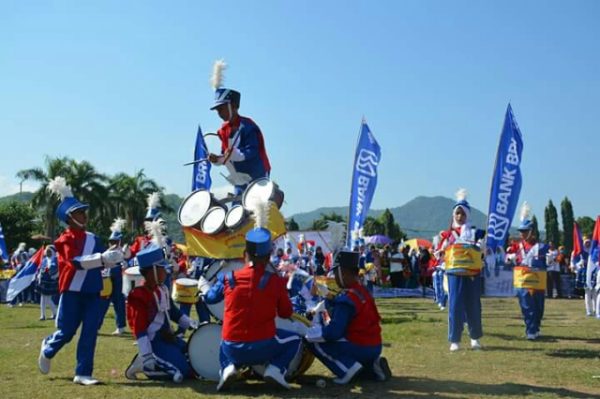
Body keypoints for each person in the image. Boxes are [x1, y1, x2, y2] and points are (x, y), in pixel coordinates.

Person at [38, 177, 124, 385]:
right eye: (79, 212)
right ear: (69, 217)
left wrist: (114, 259)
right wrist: (102, 259)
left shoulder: (94, 238)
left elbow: (100, 263)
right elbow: (74, 262)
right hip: (72, 291)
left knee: (90, 331)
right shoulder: (64, 239)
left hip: (93, 289)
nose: (84, 215)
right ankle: (49, 347)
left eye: (84, 212)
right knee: (67, 332)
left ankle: (83, 373)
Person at [200, 219, 302, 391]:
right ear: (269, 256)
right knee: (295, 339)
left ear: (244, 255)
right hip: (264, 347)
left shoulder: (227, 278)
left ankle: (227, 368)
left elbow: (209, 298)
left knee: (224, 337)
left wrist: (203, 286)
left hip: (232, 348)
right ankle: (276, 370)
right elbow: (286, 313)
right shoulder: (275, 282)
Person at [304, 250, 391, 384]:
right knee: (359, 363)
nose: (335, 278)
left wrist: (309, 333)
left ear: (343, 272)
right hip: (375, 346)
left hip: (359, 346)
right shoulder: (363, 292)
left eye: (336, 273)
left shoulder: (348, 298)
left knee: (313, 342)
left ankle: (346, 369)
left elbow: (334, 332)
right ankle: (372, 367)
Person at [124, 244, 197, 382]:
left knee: (194, 359)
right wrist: (147, 354)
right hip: (153, 343)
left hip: (167, 338)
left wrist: (191, 323)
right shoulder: (138, 295)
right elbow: (139, 329)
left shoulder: (162, 289)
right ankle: (144, 364)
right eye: (162, 268)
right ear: (152, 271)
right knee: (183, 372)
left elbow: (173, 313)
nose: (166, 271)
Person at [207, 60, 271, 196]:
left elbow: (250, 152)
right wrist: (216, 159)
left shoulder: (249, 127)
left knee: (257, 213)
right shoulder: (223, 130)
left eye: (222, 109)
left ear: (234, 106)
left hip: (257, 177)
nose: (219, 113)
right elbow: (225, 156)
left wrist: (232, 153)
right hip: (239, 180)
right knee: (237, 214)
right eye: (217, 110)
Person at [436, 189, 484, 351]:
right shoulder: (448, 235)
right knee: (455, 305)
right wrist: (440, 253)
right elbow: (441, 252)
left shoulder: (476, 233)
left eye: (462, 214)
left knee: (473, 305)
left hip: (472, 274)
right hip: (454, 273)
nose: (459, 217)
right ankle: (454, 339)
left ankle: (474, 337)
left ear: (467, 215)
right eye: (457, 213)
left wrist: (479, 247)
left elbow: (482, 250)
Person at [515, 202, 548, 339]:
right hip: (523, 280)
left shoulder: (541, 247)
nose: (522, 234)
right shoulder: (516, 247)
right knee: (526, 306)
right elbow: (511, 259)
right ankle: (530, 330)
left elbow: (546, 260)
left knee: (538, 306)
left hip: (537, 280)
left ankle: (536, 326)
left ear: (531, 231)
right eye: (521, 231)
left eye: (525, 231)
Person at [98, 218, 129, 335]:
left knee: (118, 302)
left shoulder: (118, 251)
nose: (112, 243)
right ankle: (97, 326)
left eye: (115, 241)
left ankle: (120, 327)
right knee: (103, 303)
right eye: (111, 241)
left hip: (117, 277)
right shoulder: (112, 251)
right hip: (107, 276)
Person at [36, 245, 59, 320]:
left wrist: (55, 276)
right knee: (43, 298)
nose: (48, 252)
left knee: (48, 299)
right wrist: (39, 276)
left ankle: (55, 313)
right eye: (47, 251)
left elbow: (59, 270)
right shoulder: (44, 259)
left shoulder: (56, 259)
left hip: (51, 281)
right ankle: (43, 315)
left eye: (49, 251)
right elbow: (40, 268)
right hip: (43, 280)